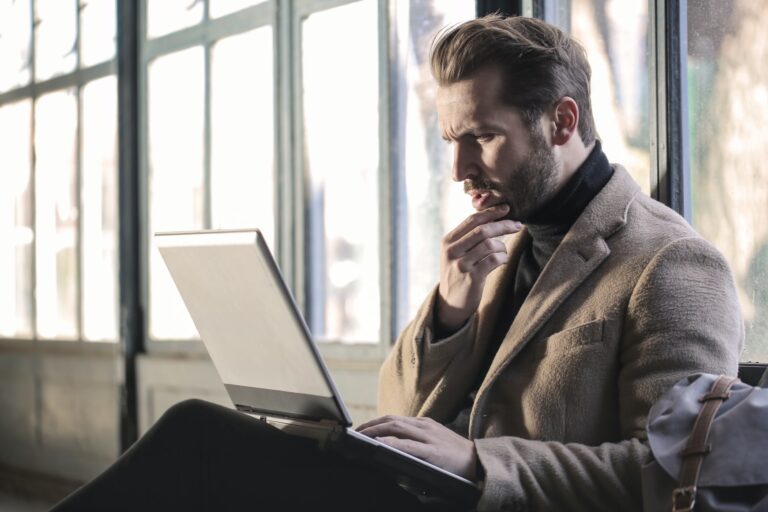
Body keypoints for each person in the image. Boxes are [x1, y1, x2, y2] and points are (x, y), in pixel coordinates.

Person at [51, 14, 742, 512]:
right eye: (451, 140)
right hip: (413, 493)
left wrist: (477, 463)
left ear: (562, 123)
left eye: (481, 137)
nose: (459, 169)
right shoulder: (497, 241)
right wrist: (448, 311)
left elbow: (672, 476)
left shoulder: (672, 264)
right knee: (201, 433)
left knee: (201, 448)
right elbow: (398, 412)